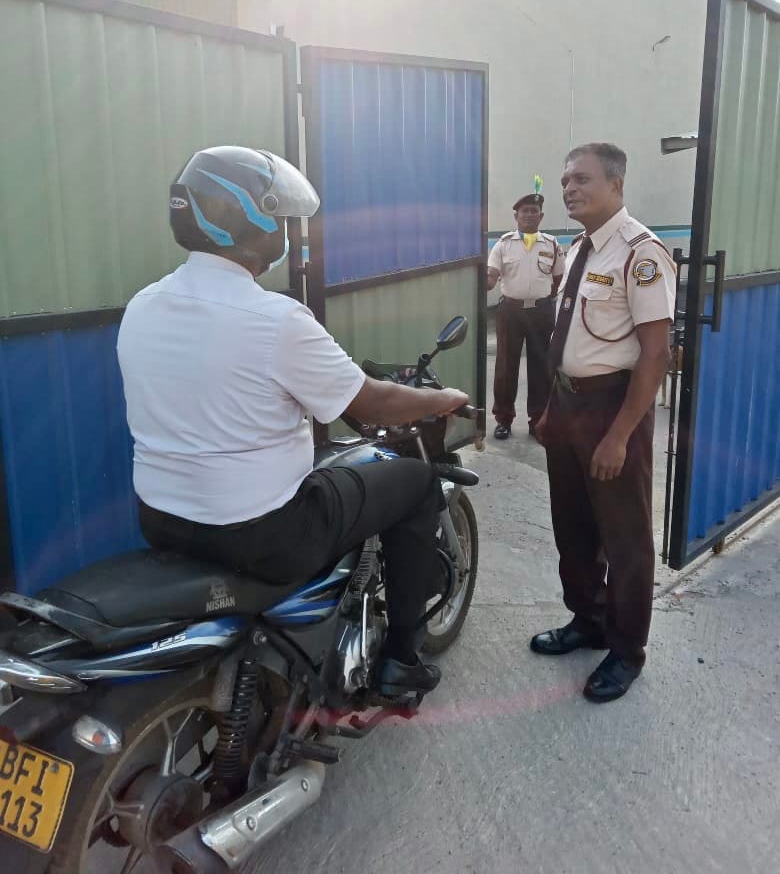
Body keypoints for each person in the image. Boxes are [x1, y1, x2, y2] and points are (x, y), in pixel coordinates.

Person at [117, 146, 470, 698]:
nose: (286, 229)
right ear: (249, 220)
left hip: (160, 516)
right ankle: (401, 658)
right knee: (417, 484)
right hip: (260, 533)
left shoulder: (143, 305)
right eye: (279, 217)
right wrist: (441, 398)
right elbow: (370, 402)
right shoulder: (274, 319)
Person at [532, 143, 675, 703]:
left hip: (614, 408)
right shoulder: (579, 248)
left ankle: (625, 649)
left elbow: (656, 354)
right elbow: (566, 335)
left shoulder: (641, 253)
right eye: (565, 179)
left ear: (616, 184)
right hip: (567, 407)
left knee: (625, 539)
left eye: (582, 179)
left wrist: (619, 434)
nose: (569, 188)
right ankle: (587, 621)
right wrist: (548, 409)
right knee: (573, 526)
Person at [487, 187, 564, 439]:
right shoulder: (503, 244)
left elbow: (558, 280)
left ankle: (538, 421)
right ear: (516, 216)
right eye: (524, 211)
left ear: (541, 217)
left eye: (534, 211)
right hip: (510, 311)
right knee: (505, 368)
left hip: (541, 312)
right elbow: (491, 277)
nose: (529, 215)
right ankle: (504, 419)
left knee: (541, 368)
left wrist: (542, 299)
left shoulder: (552, 244)